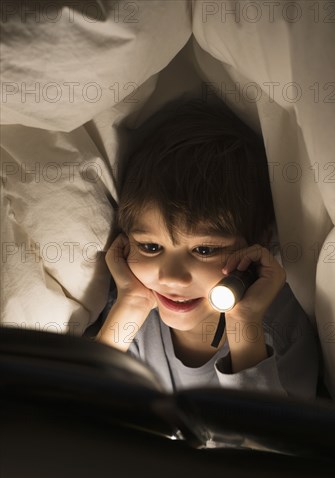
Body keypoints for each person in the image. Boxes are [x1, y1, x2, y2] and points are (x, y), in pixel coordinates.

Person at [95, 96, 320, 399]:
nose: (172, 278)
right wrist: (130, 307)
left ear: (259, 243)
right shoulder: (130, 309)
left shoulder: (279, 330)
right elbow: (75, 414)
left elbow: (270, 443)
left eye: (204, 250)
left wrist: (244, 327)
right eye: (150, 246)